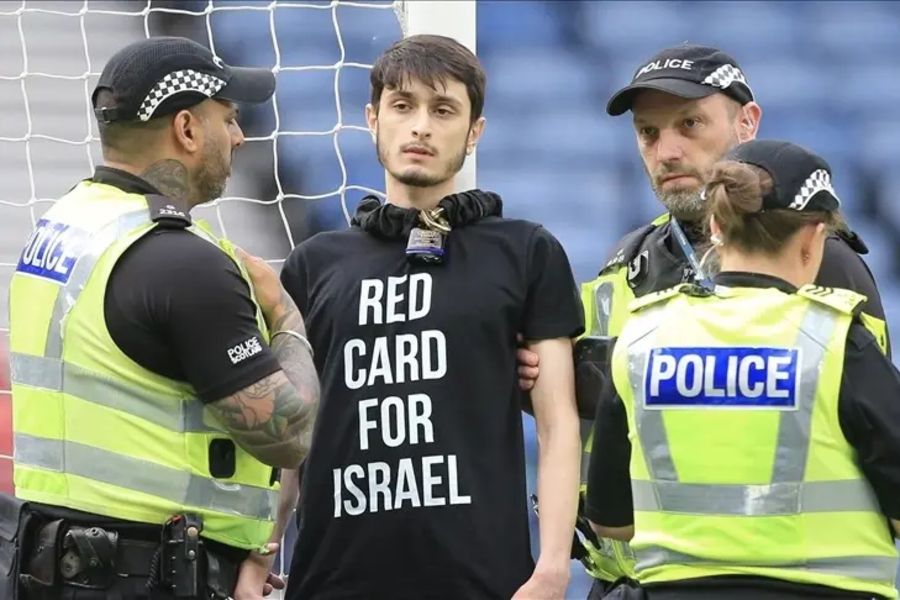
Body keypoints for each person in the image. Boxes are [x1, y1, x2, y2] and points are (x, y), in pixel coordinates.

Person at [516, 44, 892, 594]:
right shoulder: (623, 262)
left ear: (748, 122)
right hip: (624, 583)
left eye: (690, 124)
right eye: (648, 133)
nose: (667, 151)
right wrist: (544, 382)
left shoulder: (824, 262)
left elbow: (870, 434)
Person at [4, 36, 320, 600]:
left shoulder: (64, 227)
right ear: (187, 130)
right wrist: (286, 317)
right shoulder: (185, 262)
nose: (240, 136)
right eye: (229, 118)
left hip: (51, 563)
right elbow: (287, 434)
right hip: (145, 574)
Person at [270, 34, 583, 599]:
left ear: (474, 131)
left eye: (443, 111)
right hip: (333, 581)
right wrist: (259, 549)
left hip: (483, 581)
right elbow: (290, 433)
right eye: (403, 106)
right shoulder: (315, 263)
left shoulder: (525, 250)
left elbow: (558, 421)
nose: (421, 127)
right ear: (372, 118)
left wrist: (554, 565)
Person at [587, 139, 900, 599]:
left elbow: (610, 521)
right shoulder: (835, 339)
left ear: (715, 226)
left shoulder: (642, 337)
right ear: (815, 239)